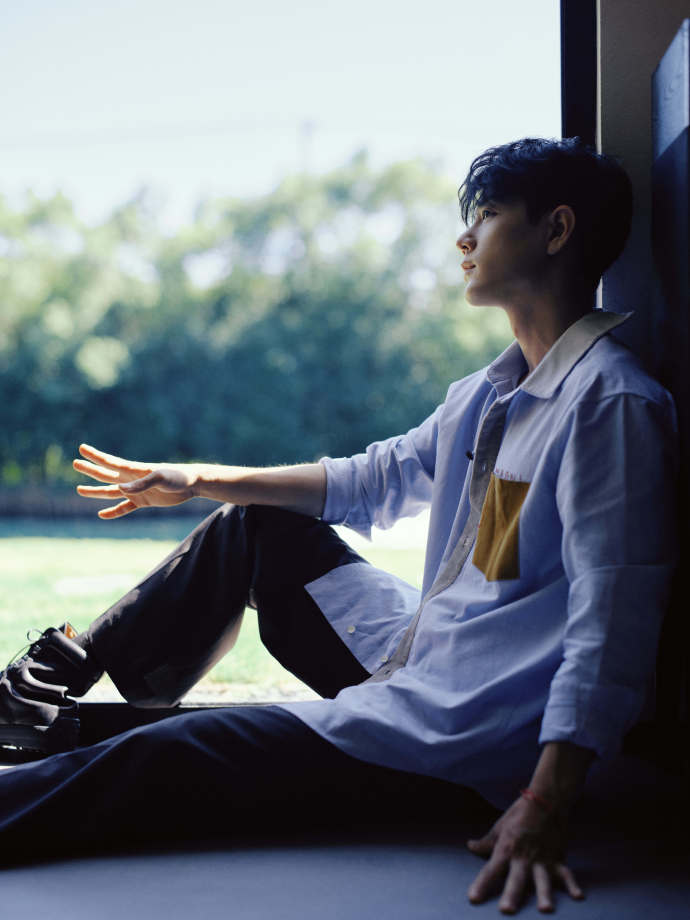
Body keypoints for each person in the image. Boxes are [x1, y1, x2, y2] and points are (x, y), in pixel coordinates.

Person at [0, 138, 677, 914]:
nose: (465, 238)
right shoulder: (487, 393)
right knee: (255, 524)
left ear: (556, 230)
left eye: (487, 215)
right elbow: (372, 479)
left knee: (171, 755)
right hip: (418, 655)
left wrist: (544, 802)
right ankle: (34, 702)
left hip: (460, 735)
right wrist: (196, 479)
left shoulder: (609, 405)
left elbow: (612, 624)